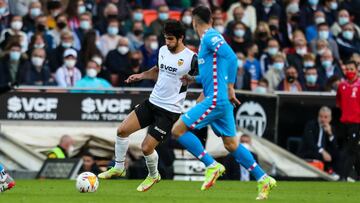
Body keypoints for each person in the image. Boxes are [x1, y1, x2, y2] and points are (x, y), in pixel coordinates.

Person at [172, 6, 276, 200]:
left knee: (178, 130)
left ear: (194, 22)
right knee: (230, 144)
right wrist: (193, 79)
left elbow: (232, 57)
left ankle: (211, 165)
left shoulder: (210, 37)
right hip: (219, 100)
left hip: (217, 99)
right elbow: (212, 73)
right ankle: (263, 178)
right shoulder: (206, 42)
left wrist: (230, 87)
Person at [98, 20, 198, 192]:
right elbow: (157, 71)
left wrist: (193, 79)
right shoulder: (162, 50)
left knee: (146, 147)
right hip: (152, 102)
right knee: (122, 131)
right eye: (166, 38)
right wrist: (141, 75)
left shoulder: (191, 58)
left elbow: (206, 77)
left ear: (181, 38)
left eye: (171, 39)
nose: (167, 42)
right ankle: (119, 167)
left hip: (169, 111)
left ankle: (153, 175)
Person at [299, 106, 341, 175]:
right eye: (321, 116)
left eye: (325, 117)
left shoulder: (331, 128)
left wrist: (330, 134)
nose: (323, 119)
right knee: (318, 154)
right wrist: (322, 151)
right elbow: (310, 142)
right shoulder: (311, 125)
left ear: (330, 119)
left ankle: (336, 174)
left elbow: (335, 147)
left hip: (322, 155)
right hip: (310, 153)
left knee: (338, 155)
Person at [336, 60, 360, 180]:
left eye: (352, 69)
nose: (349, 71)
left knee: (350, 150)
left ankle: (343, 176)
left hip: (356, 123)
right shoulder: (342, 86)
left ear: (357, 70)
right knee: (354, 150)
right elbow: (339, 102)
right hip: (344, 122)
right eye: (347, 69)